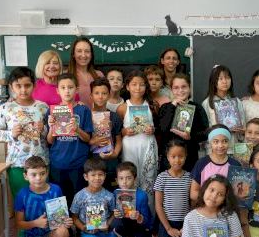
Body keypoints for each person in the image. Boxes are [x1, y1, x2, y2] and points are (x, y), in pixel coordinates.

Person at [0, 67, 49, 201]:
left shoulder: (43, 107)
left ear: (33, 85)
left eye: (27, 85)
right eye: (18, 86)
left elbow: (52, 134)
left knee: (42, 198)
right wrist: (11, 134)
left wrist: (43, 129)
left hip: (41, 161)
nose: (23, 90)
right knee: (21, 199)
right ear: (11, 87)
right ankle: (22, 223)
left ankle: (41, 222)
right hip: (17, 163)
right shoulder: (6, 108)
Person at [15, 156, 72, 237]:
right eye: (33, 174)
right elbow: (19, 223)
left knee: (63, 231)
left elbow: (61, 215)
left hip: (51, 233)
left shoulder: (56, 189)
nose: (38, 178)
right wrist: (36, 223)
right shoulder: (22, 194)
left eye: (42, 174)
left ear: (47, 173)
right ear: (25, 176)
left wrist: (66, 221)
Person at [70, 157, 126, 237]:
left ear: (105, 176)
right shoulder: (79, 196)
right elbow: (74, 217)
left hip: (105, 233)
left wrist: (108, 224)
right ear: (86, 177)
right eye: (93, 175)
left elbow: (113, 214)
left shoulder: (109, 196)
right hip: (88, 233)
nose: (97, 178)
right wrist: (83, 228)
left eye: (100, 174)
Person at [47, 73, 93, 205]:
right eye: (63, 87)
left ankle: (78, 224)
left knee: (78, 198)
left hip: (78, 163)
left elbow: (88, 138)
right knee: (60, 200)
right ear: (57, 90)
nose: (67, 91)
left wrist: (77, 129)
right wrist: (51, 128)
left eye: (70, 87)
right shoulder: (52, 111)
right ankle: (63, 225)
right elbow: (50, 141)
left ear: (76, 89)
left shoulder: (83, 110)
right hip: (57, 163)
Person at [117, 70, 158, 216]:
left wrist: (152, 129)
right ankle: (127, 215)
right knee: (129, 179)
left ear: (146, 87)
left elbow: (157, 127)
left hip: (148, 145)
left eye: (141, 85)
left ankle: (149, 216)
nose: (138, 88)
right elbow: (117, 131)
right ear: (127, 86)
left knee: (149, 180)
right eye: (134, 84)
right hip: (130, 147)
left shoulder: (152, 105)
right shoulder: (123, 107)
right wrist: (124, 132)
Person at [158, 73, 209, 172]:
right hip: (169, 159)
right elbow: (162, 129)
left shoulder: (197, 108)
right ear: (171, 90)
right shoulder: (165, 108)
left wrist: (190, 136)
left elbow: (205, 133)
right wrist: (173, 106)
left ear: (189, 88)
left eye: (184, 87)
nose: (180, 91)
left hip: (190, 157)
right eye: (176, 88)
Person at [154, 140, 191, 237]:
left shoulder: (189, 177)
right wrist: (169, 228)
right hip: (166, 222)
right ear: (167, 157)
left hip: (183, 224)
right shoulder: (161, 177)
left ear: (186, 157)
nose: (177, 160)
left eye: (180, 156)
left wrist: (185, 227)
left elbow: (193, 204)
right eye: (173, 156)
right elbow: (158, 205)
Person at [111, 162, 153, 237]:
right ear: (117, 180)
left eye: (128, 178)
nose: (124, 182)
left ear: (135, 179)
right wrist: (115, 213)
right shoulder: (116, 193)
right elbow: (113, 212)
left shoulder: (142, 195)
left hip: (141, 227)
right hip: (125, 224)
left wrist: (139, 216)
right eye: (121, 178)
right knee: (115, 223)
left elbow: (147, 220)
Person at [190, 125, 241, 203]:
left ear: (229, 142)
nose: (220, 145)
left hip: (227, 211)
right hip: (206, 210)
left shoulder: (235, 165)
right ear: (210, 143)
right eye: (216, 141)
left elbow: (239, 192)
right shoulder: (201, 163)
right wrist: (210, 202)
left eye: (225, 141)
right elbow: (193, 193)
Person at [201, 65, 246, 154]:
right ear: (214, 81)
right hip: (215, 149)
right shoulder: (207, 103)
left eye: (227, 78)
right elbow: (205, 129)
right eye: (220, 79)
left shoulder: (236, 101)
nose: (225, 81)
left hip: (234, 147)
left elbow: (243, 125)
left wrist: (241, 129)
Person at [89, 78, 123, 191]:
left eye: (104, 93)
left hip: (111, 163)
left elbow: (118, 139)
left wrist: (115, 154)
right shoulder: (87, 116)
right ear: (91, 95)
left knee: (112, 192)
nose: (100, 96)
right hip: (92, 164)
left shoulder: (114, 116)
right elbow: (83, 140)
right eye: (96, 93)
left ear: (109, 95)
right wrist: (93, 141)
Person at [68, 37, 104, 108]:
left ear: (91, 54)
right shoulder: (67, 76)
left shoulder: (99, 75)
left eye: (87, 51)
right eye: (79, 51)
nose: (83, 55)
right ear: (73, 54)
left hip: (96, 117)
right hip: (75, 118)